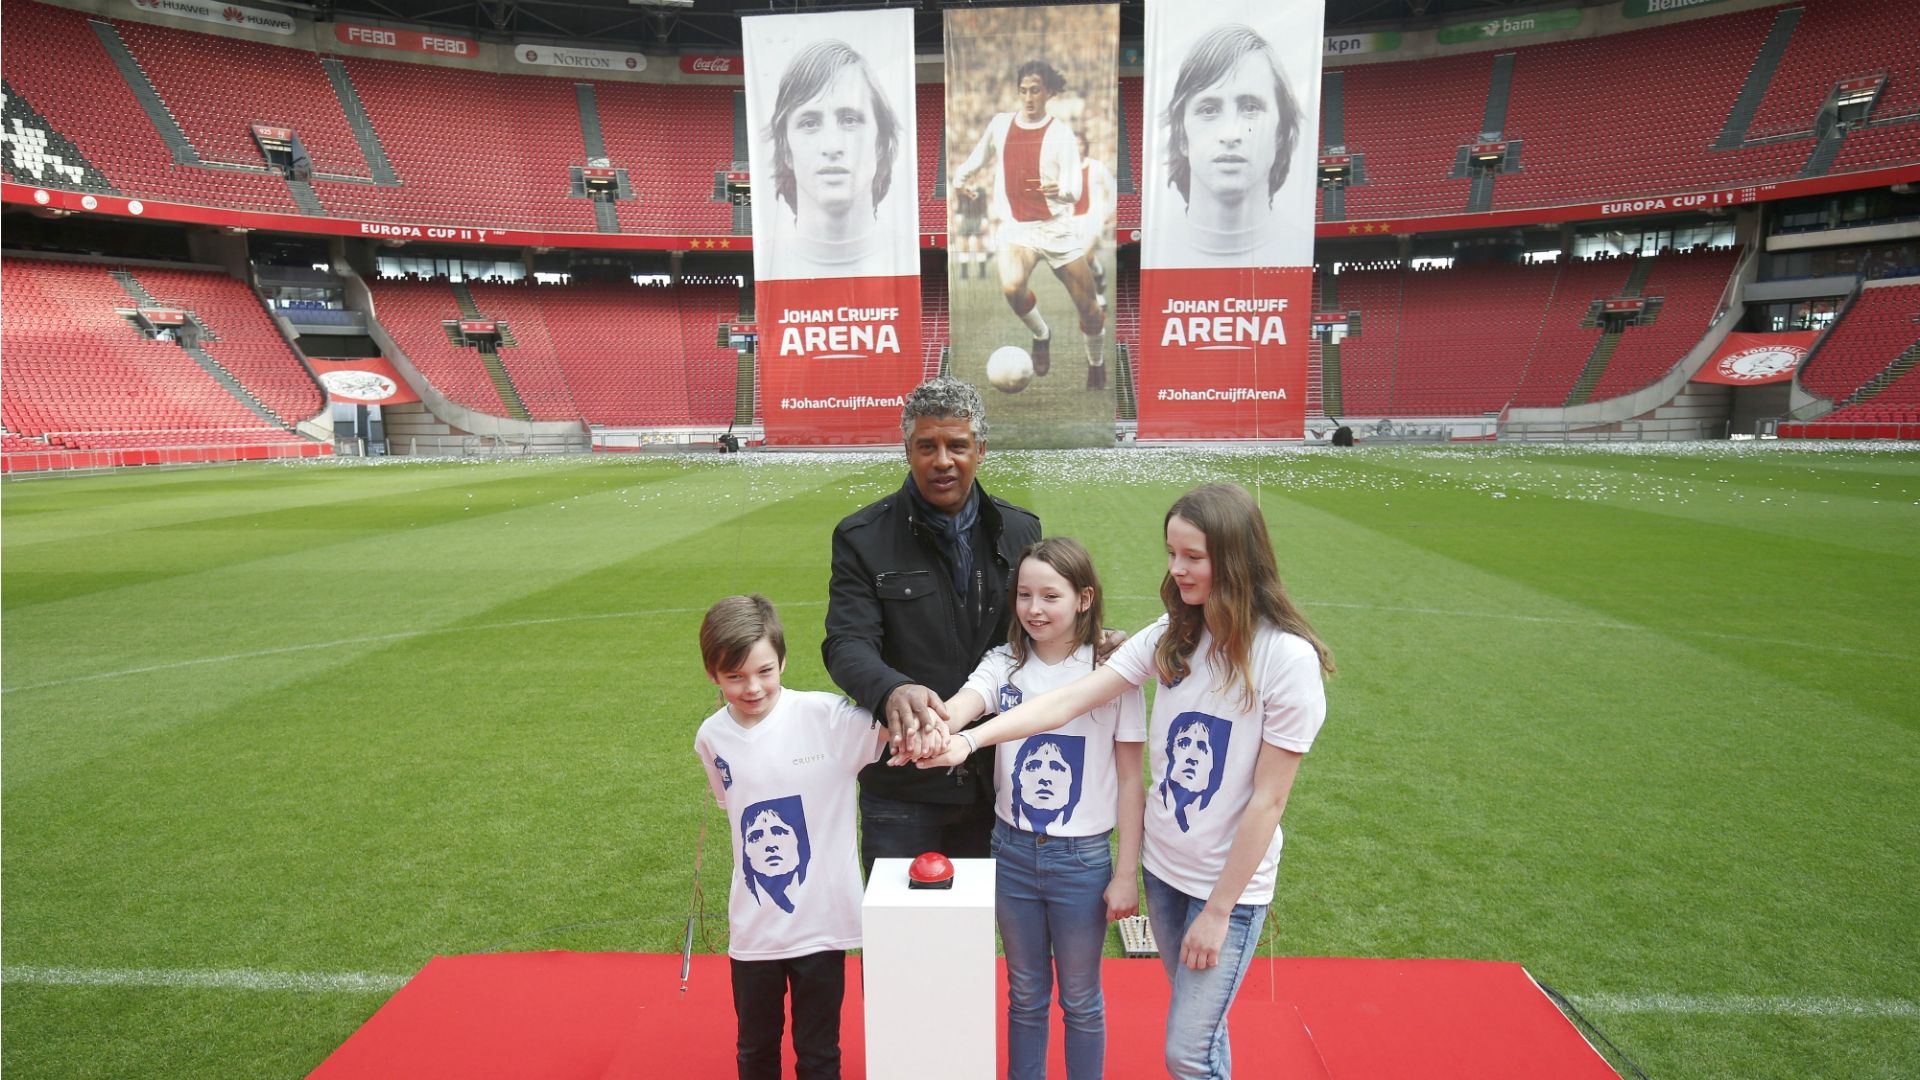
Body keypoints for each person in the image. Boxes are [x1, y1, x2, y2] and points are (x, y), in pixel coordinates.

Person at [915, 483, 1333, 1079]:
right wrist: (967, 738)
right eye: (1171, 553)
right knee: (1202, 1033)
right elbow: (1068, 700)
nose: (1176, 569)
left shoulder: (1285, 659)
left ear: (1237, 558)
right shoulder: (1173, 633)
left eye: (1193, 557)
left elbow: (1269, 801)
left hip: (1225, 889)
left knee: (1187, 1050)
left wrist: (1218, 910)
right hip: (1165, 875)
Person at [897, 537, 1145, 1080]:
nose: (1034, 609)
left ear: (1084, 598)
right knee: (1025, 993)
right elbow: (966, 703)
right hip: (1010, 853)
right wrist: (937, 728)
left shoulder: (1113, 671)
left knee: (1080, 999)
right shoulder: (1005, 661)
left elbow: (1131, 778)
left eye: (1050, 596)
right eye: (1025, 595)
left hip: (1081, 860)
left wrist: (1125, 873)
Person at [822, 377, 1041, 874]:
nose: (942, 460)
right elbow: (847, 643)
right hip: (903, 785)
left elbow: (1034, 635)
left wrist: (1092, 640)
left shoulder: (1021, 530)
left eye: (957, 445)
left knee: (977, 936)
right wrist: (891, 690)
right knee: (901, 939)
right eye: (927, 446)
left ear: (980, 450)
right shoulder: (862, 537)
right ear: (908, 451)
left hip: (997, 779)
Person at [694, 595, 891, 1080]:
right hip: (754, 929)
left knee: (819, 1053)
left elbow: (896, 719)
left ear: (782, 659)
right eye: (734, 676)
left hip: (823, 925)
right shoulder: (711, 737)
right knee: (755, 1052)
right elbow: (734, 808)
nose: (752, 687)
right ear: (712, 675)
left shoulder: (828, 717)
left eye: (763, 670)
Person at [951, 60, 1109, 390]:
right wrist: (959, 179)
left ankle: (1096, 365)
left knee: (1090, 311)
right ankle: (1042, 334)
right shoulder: (1000, 125)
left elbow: (1074, 188)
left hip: (1056, 230)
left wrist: (1062, 191)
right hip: (1016, 230)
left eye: (1035, 90)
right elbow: (978, 157)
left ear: (1049, 92)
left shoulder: (1061, 133)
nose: (1027, 97)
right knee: (1011, 287)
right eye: (1022, 90)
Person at [1157, 23, 1309, 265]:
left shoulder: (1299, 250)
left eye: (1250, 108)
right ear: (1181, 136)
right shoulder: (1156, 253)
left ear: (1281, 132)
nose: (1230, 133)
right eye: (1208, 110)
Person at [765, 38, 902, 275]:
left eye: (849, 120)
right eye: (810, 123)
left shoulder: (906, 258)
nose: (831, 146)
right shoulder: (768, 264)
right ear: (786, 150)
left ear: (880, 143)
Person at [1069, 131, 1116, 310]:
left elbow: (1112, 188)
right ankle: (1099, 273)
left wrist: (1108, 212)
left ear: (1085, 146)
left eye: (1080, 144)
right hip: (1072, 221)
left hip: (1093, 219)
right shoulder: (1066, 171)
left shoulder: (1096, 167)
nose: (1077, 148)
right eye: (1073, 144)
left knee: (1084, 255)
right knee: (1082, 260)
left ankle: (1098, 296)